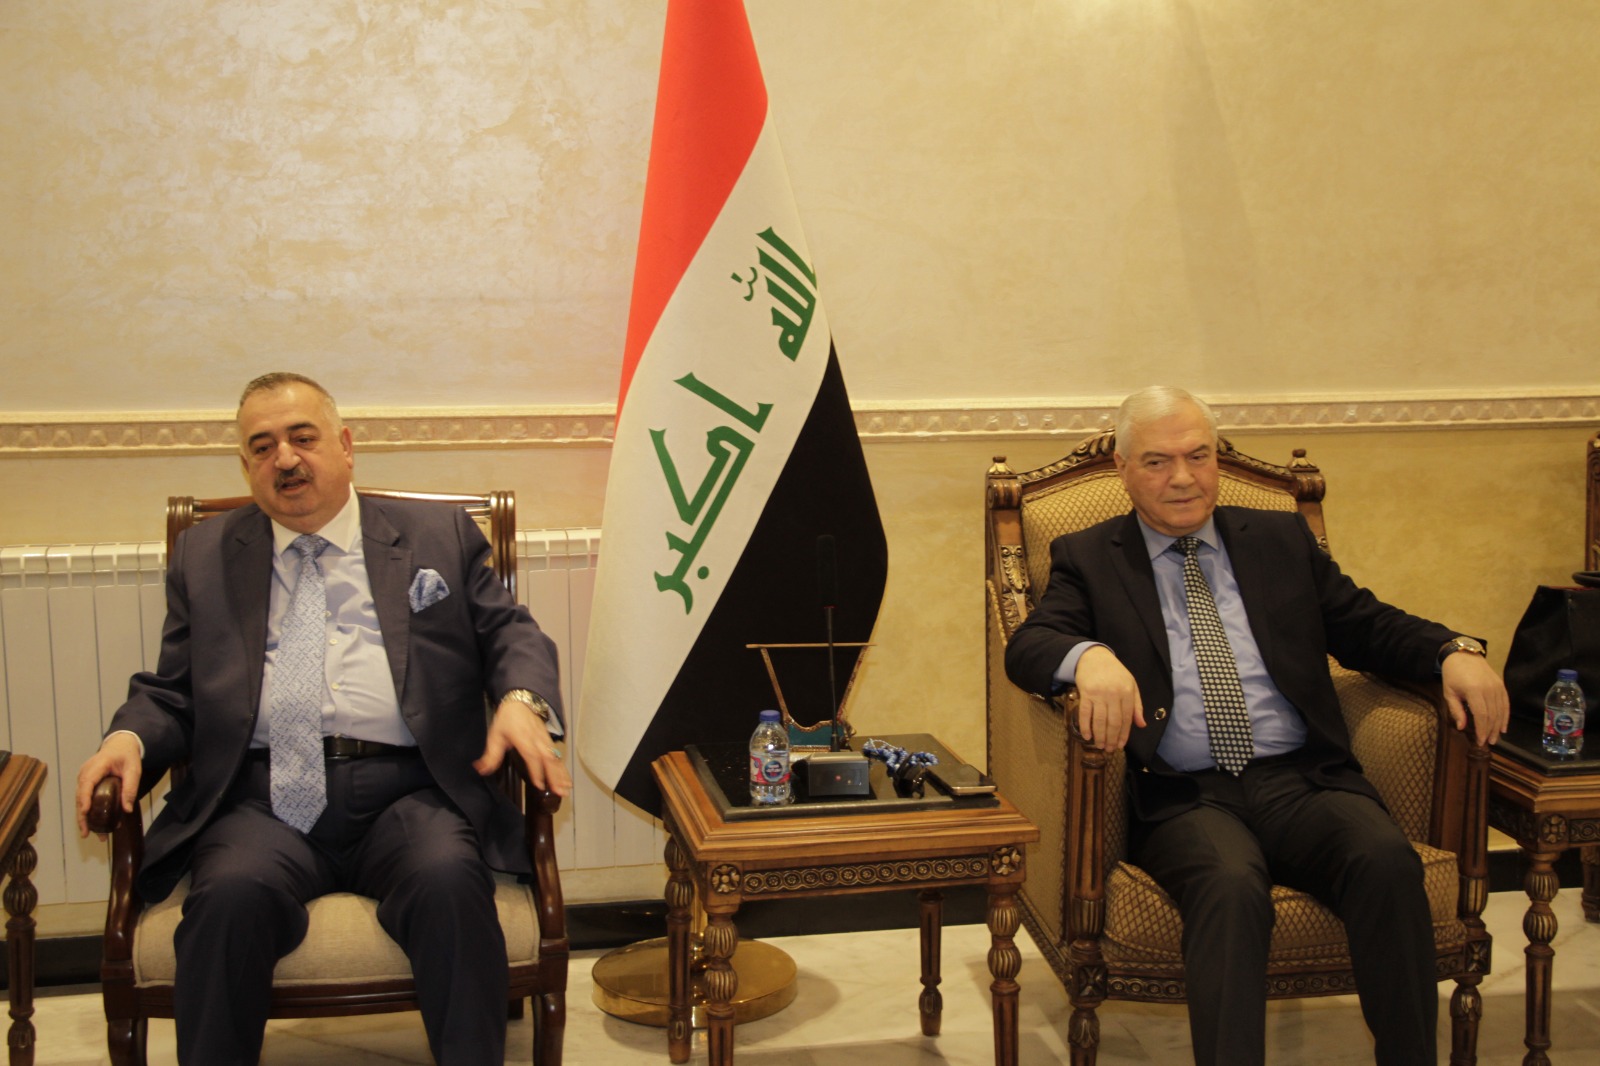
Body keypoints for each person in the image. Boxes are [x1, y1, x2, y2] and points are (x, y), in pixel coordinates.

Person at [74, 372, 571, 1065]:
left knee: (450, 886)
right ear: (246, 465)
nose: (285, 458)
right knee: (227, 902)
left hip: (410, 792)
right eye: (262, 447)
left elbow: (509, 631)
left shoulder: (438, 536)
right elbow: (176, 688)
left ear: (345, 446)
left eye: (302, 438)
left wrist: (521, 700)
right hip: (262, 800)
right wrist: (128, 737)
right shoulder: (206, 555)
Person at [1004, 385, 1509, 1066]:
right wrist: (1088, 657)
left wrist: (1454, 650)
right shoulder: (1091, 556)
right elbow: (1029, 647)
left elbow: (1365, 625)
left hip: (1303, 780)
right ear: (1122, 468)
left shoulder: (1278, 538)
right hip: (1187, 794)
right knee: (1230, 887)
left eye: (1198, 456)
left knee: (1386, 862)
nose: (1182, 478)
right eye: (1156, 461)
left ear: (1217, 460)